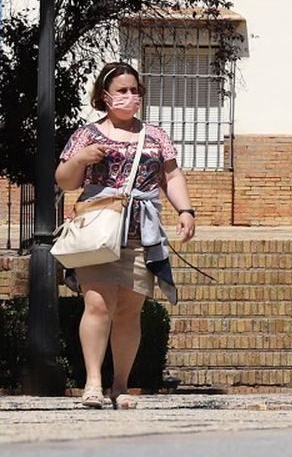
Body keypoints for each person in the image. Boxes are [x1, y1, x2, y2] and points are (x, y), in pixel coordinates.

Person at [55, 61, 196, 409]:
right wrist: (82, 159)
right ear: (106, 97)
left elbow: (171, 177)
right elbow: (65, 180)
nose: (131, 97)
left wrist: (186, 210)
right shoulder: (88, 135)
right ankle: (92, 383)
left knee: (130, 310)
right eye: (122, 91)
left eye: (135, 91)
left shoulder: (155, 135)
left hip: (141, 235)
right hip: (99, 231)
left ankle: (120, 385)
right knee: (98, 304)